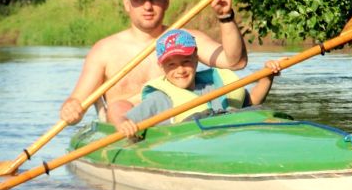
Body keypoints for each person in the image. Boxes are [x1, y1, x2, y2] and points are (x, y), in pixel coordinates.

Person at [60, 0, 248, 125]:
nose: (148, 6)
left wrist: (225, 15)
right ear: (127, 4)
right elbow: (77, 101)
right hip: (127, 133)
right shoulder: (104, 50)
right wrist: (71, 109)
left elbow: (235, 62)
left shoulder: (185, 40)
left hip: (180, 128)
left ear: (166, 1)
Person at [113, 29, 280, 137]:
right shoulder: (159, 99)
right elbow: (126, 120)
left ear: (196, 59)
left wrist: (267, 77)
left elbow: (251, 103)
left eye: (186, 61)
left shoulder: (215, 85)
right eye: (171, 64)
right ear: (161, 66)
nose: (180, 70)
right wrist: (123, 124)